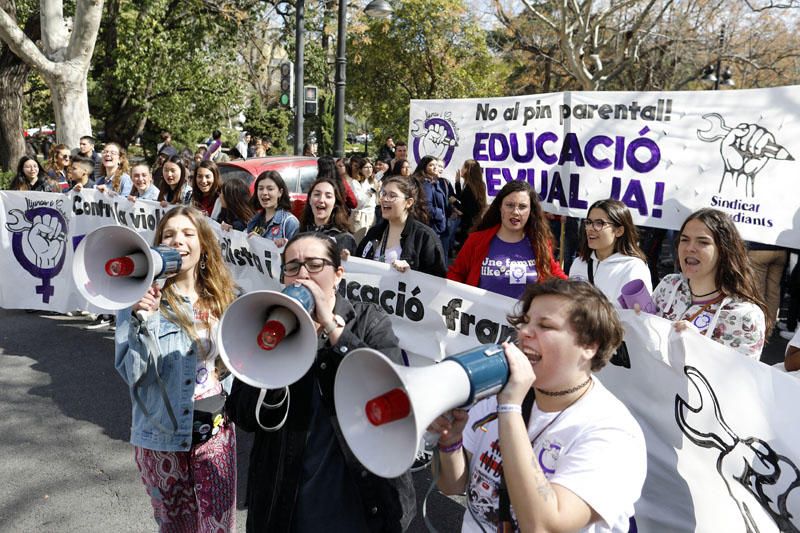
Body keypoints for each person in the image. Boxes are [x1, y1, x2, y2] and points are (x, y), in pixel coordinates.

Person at [226, 232, 416, 532]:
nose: (302, 274)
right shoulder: (265, 325)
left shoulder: (368, 321)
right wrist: (269, 367)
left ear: (338, 274)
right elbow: (242, 414)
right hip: (283, 505)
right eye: (292, 267)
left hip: (356, 505)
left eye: (314, 264)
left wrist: (334, 332)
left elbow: (393, 393)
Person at [432, 279, 647, 533]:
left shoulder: (614, 433)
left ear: (589, 346)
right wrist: (450, 442)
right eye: (525, 321)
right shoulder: (496, 395)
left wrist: (510, 408)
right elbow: (452, 486)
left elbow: (543, 526)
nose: (524, 332)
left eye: (545, 325)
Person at [115, 206, 238, 530]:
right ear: (158, 245)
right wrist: (145, 320)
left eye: (187, 233)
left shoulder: (223, 297)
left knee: (217, 527)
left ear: (203, 244)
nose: (178, 241)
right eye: (169, 235)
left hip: (214, 430)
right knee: (176, 527)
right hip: (160, 437)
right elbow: (131, 374)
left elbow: (234, 365)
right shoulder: (138, 297)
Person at [652, 208, 769, 360]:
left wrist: (699, 346)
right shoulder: (669, 284)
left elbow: (742, 379)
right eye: (684, 239)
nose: (689, 248)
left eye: (703, 242)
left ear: (724, 250)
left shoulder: (744, 315)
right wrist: (637, 317)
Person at [448, 180, 566, 299]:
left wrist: (575, 292)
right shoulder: (477, 241)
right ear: (500, 207)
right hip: (483, 316)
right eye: (510, 205)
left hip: (526, 317)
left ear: (531, 211)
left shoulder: (540, 242)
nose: (515, 212)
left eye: (522, 207)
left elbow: (554, 273)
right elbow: (456, 274)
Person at [356, 175, 446, 276]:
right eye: (383, 194)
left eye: (392, 196)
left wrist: (411, 273)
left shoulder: (424, 237)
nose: (385, 199)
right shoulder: (374, 232)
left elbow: (437, 280)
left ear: (408, 202)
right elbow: (358, 263)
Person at [569, 199, 651, 304]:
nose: (590, 228)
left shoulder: (634, 268)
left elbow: (640, 316)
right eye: (588, 222)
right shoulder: (579, 263)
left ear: (619, 231)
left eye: (599, 223)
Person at [300, 177, 357, 256]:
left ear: (335, 204)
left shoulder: (344, 239)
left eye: (328, 196)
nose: (321, 200)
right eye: (317, 194)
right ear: (309, 200)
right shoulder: (300, 232)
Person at [246, 170, 299, 247]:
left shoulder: (289, 222)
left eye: (270, 189)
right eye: (260, 188)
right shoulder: (253, 221)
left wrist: (261, 242)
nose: (264, 193)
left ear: (280, 192)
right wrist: (229, 232)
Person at [413, 156, 449, 248]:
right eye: (431, 165)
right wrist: (440, 214)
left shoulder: (432, 181)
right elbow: (426, 206)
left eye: (436, 165)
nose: (435, 167)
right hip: (430, 225)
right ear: (424, 166)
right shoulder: (425, 183)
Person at [452, 159, 487, 249]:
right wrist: (457, 183)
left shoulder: (470, 187)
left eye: (463, 167)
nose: (461, 169)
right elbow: (464, 199)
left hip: (469, 225)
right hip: (475, 222)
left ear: (468, 170)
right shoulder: (478, 185)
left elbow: (466, 209)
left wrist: (454, 202)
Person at [347, 157, 378, 243]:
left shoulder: (372, 181)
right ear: (360, 169)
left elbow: (377, 201)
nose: (369, 169)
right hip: (360, 217)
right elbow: (360, 203)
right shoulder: (355, 182)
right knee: (358, 242)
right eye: (366, 167)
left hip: (372, 216)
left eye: (371, 167)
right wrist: (371, 191)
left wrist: (378, 190)